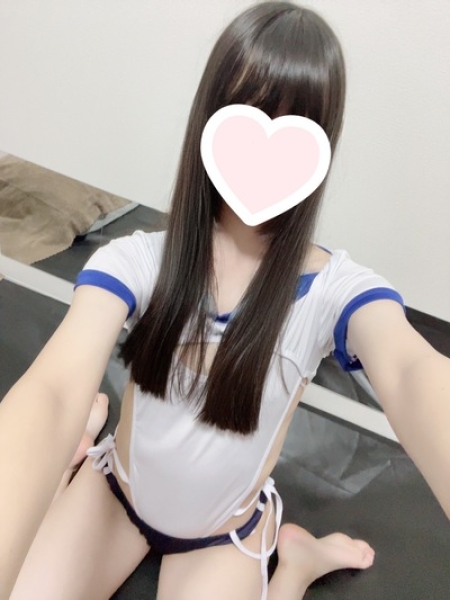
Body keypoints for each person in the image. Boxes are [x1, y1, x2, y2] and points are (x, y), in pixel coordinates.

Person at [1, 2, 449, 599]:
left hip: (221, 535)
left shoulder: (334, 291)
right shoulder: (139, 261)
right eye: (247, 116)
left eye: (293, 127)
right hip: (118, 494)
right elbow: (53, 390)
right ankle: (82, 444)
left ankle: (296, 564)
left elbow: (413, 372)